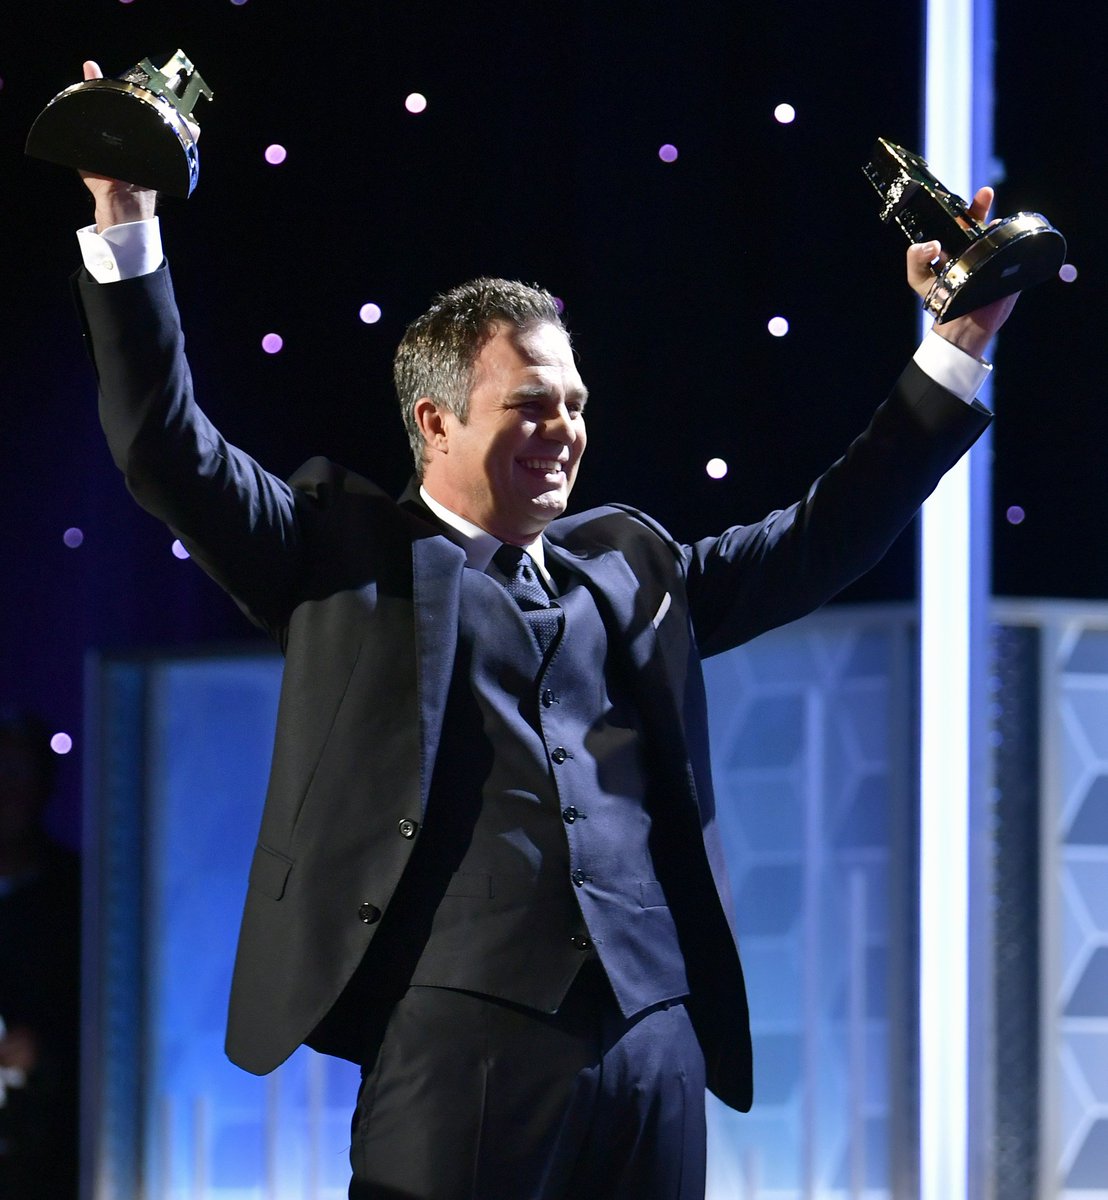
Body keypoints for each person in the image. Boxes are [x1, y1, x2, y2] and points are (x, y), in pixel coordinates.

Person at [71, 57, 1013, 1200]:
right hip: (460, 1042)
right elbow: (165, 444)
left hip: (656, 1042)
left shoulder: (631, 564)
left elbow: (823, 536)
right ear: (434, 420)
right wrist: (125, 223)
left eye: (572, 403)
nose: (564, 429)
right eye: (530, 404)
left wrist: (955, 345)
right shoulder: (339, 553)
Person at [0, 710, 81, 1200]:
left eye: (17, 775)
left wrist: (45, 1049)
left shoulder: (79, 894)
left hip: (49, 1148)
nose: (6, 793)